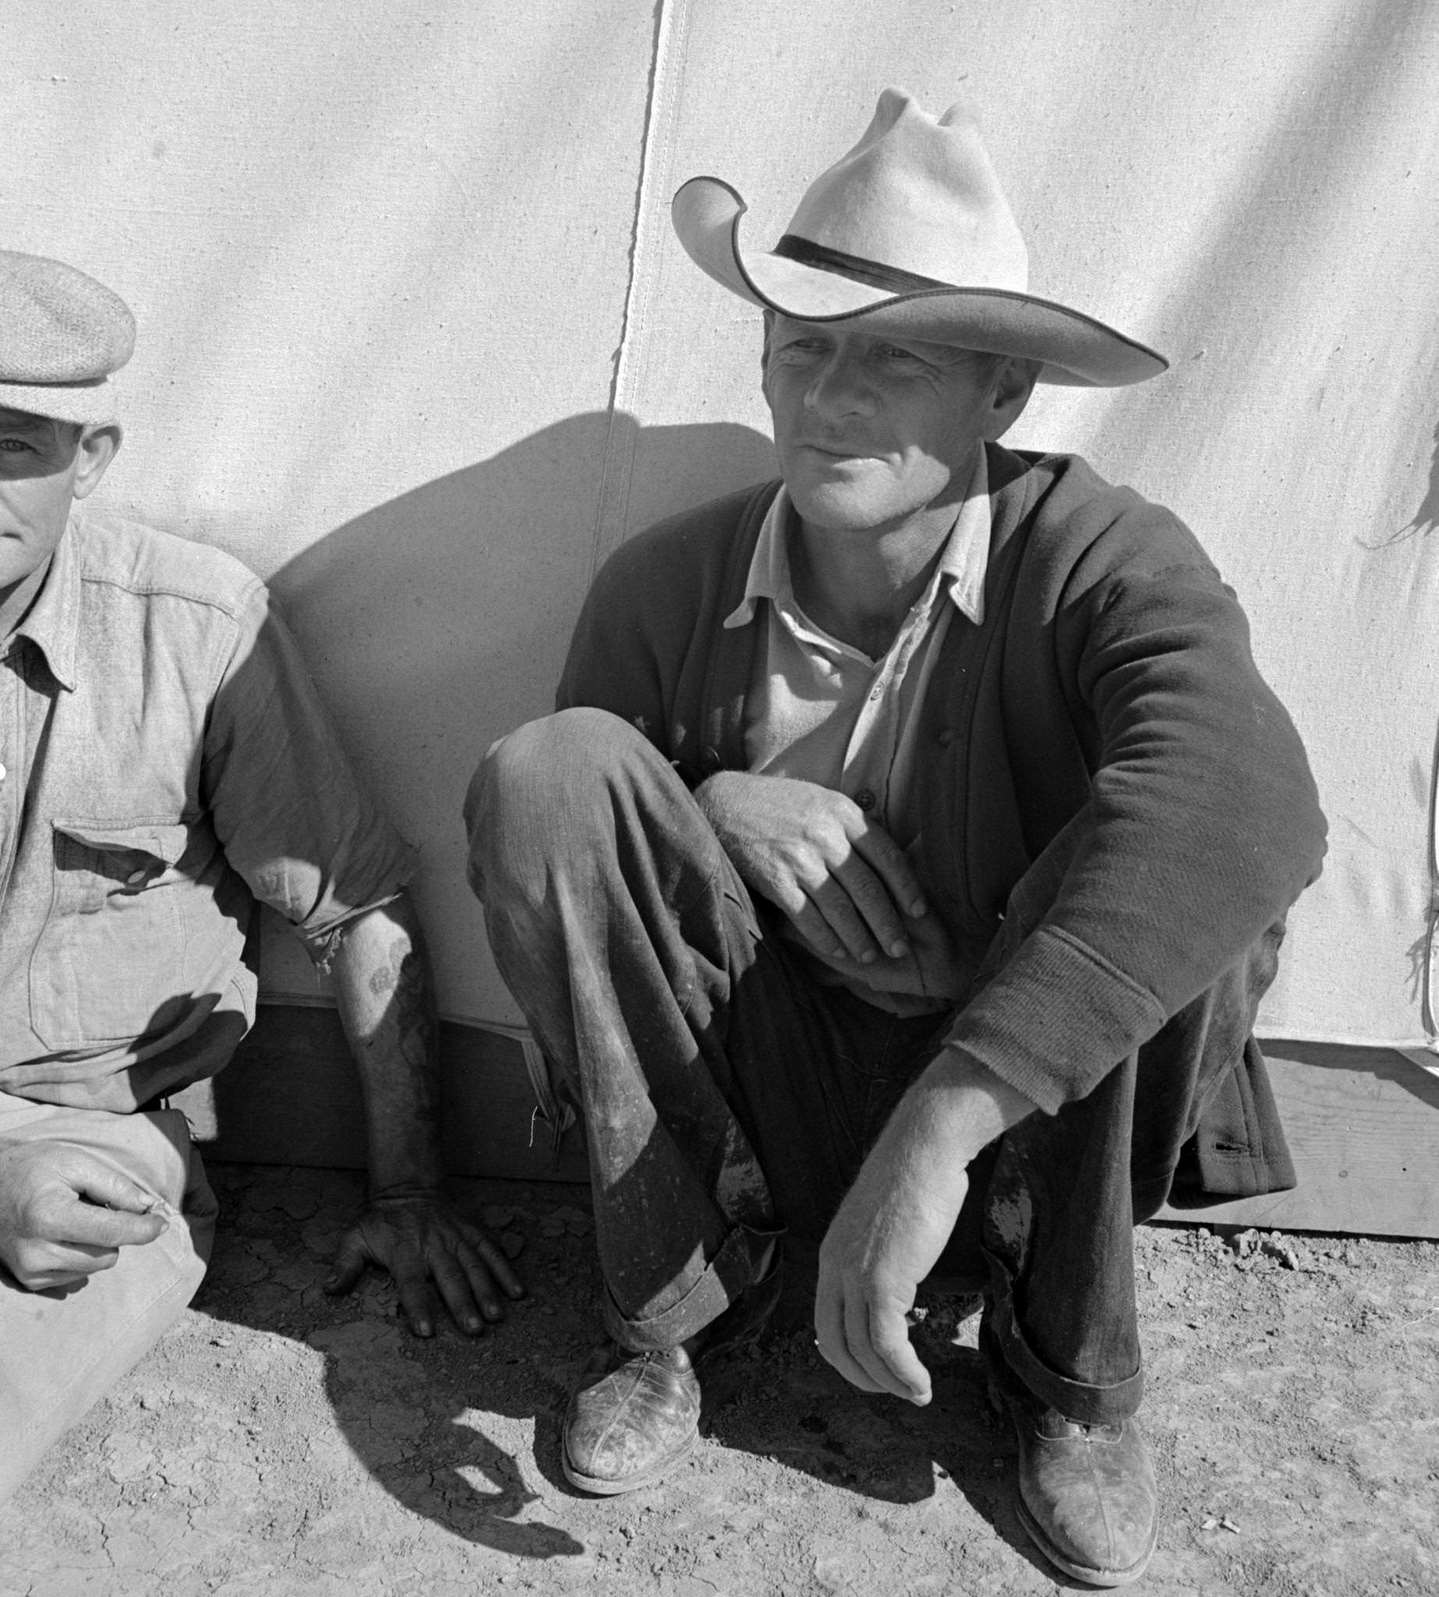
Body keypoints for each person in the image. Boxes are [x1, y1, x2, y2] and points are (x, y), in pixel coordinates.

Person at [464, 91, 1325, 1587]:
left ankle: (1061, 1373)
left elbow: (1248, 799)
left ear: (998, 399)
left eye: (894, 359)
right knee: (548, 771)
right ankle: (674, 1315)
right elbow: (578, 851)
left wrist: (940, 1131)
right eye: (802, 349)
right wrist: (710, 799)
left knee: (1181, 861)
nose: (829, 397)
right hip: (766, 1087)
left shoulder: (1101, 556)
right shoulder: (663, 585)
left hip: (1021, 1137)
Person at [0, 249, 523, 1503]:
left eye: (12, 438)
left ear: (92, 458)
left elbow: (354, 911)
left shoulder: (193, 630)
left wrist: (407, 1190)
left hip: (85, 1131)